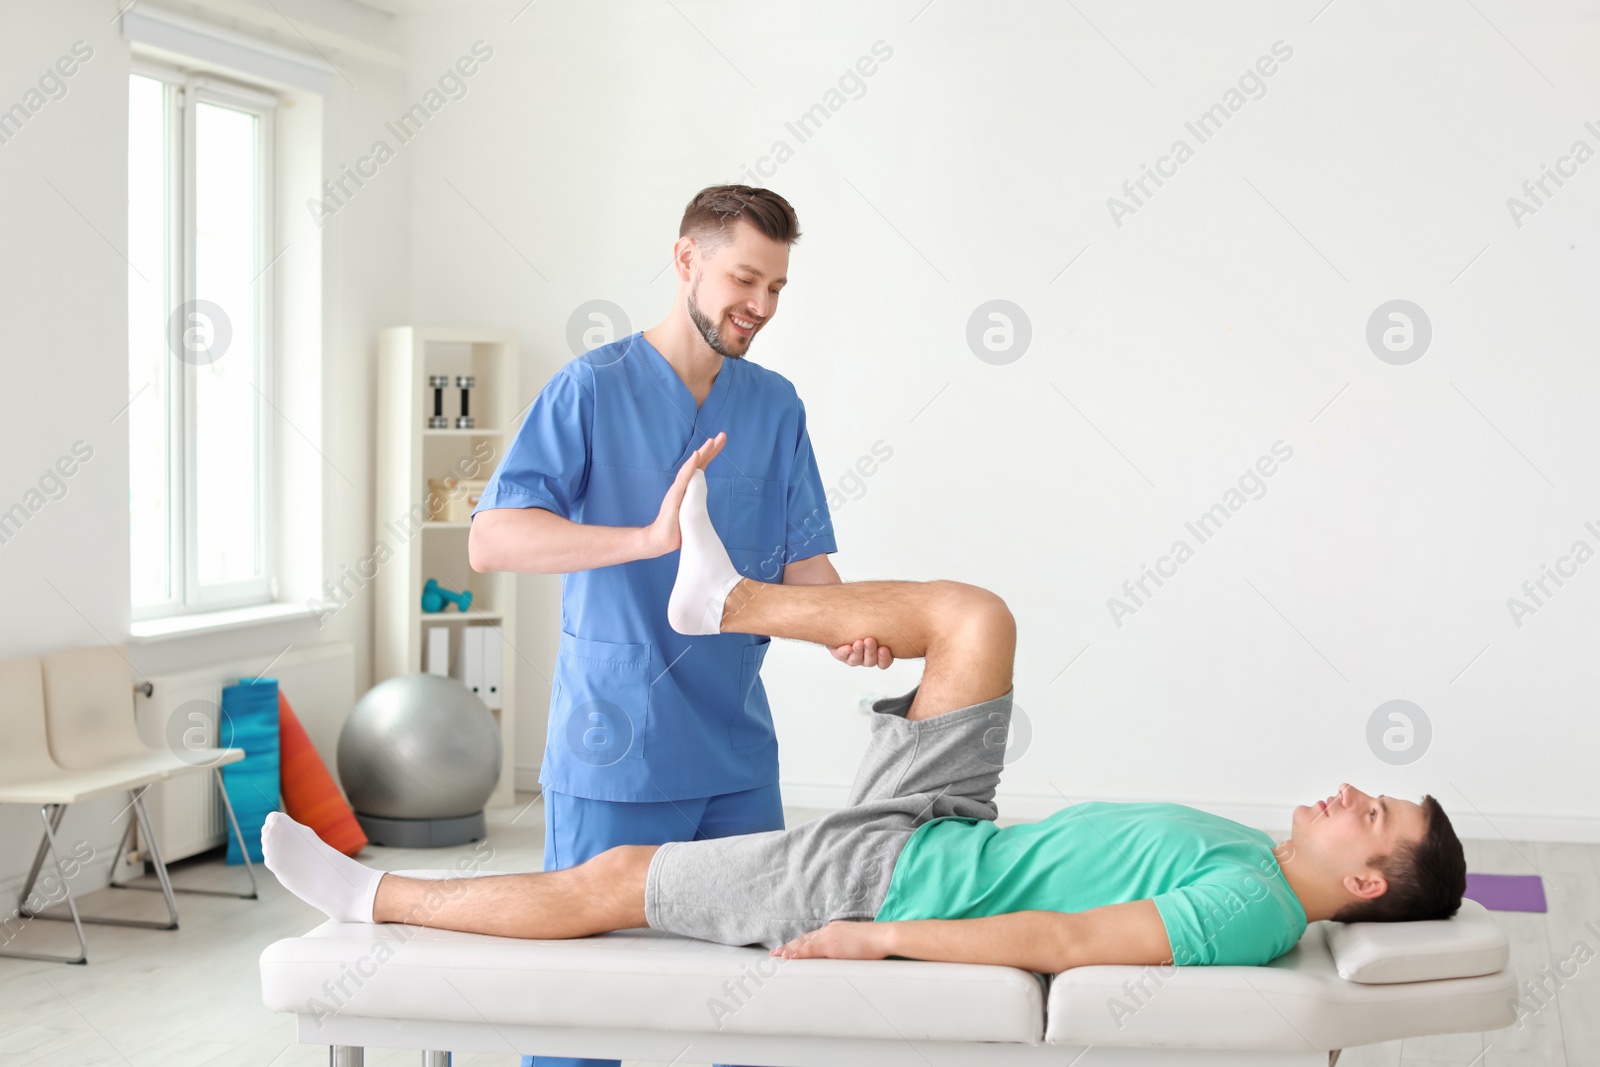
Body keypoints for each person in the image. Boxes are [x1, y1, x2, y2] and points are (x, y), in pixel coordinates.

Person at [266, 459, 1468, 975]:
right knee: (974, 618)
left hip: (893, 880)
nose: (1352, 793)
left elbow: (1063, 946)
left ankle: (376, 896)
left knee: (617, 876)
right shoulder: (1262, 857)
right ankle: (726, 598)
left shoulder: (1250, 905)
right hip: (951, 825)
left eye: (1374, 816)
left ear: (1365, 881)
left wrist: (878, 939)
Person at [468, 185, 885, 1067]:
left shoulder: (773, 407)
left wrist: (852, 626)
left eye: (776, 288)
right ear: (686, 259)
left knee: (748, 1006)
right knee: (585, 1014)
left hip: (734, 757)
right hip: (614, 752)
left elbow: (805, 566)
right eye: (744, 279)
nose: (761, 308)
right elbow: (493, 537)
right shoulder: (591, 388)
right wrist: (646, 539)